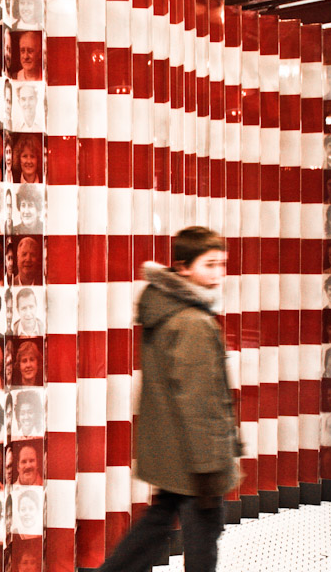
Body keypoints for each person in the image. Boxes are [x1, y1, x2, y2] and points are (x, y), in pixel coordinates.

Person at [98, 226, 239, 572]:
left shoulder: (164, 308)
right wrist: (210, 466)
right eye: (209, 265)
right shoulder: (193, 322)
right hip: (196, 459)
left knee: (154, 527)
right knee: (202, 538)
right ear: (183, 267)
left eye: (222, 264)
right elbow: (201, 402)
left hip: (172, 450)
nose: (218, 274)